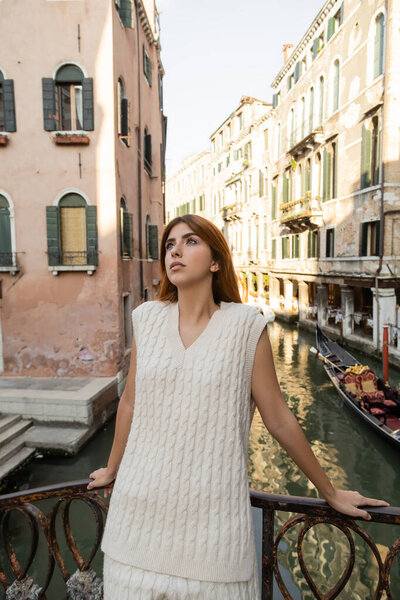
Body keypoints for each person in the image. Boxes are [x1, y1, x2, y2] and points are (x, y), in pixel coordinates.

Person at [87, 214, 389, 600]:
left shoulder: (246, 326)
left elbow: (277, 416)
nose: (175, 250)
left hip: (213, 536)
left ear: (216, 261)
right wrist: (112, 468)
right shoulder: (145, 319)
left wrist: (328, 491)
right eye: (169, 244)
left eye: (190, 241)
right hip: (135, 524)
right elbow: (129, 403)